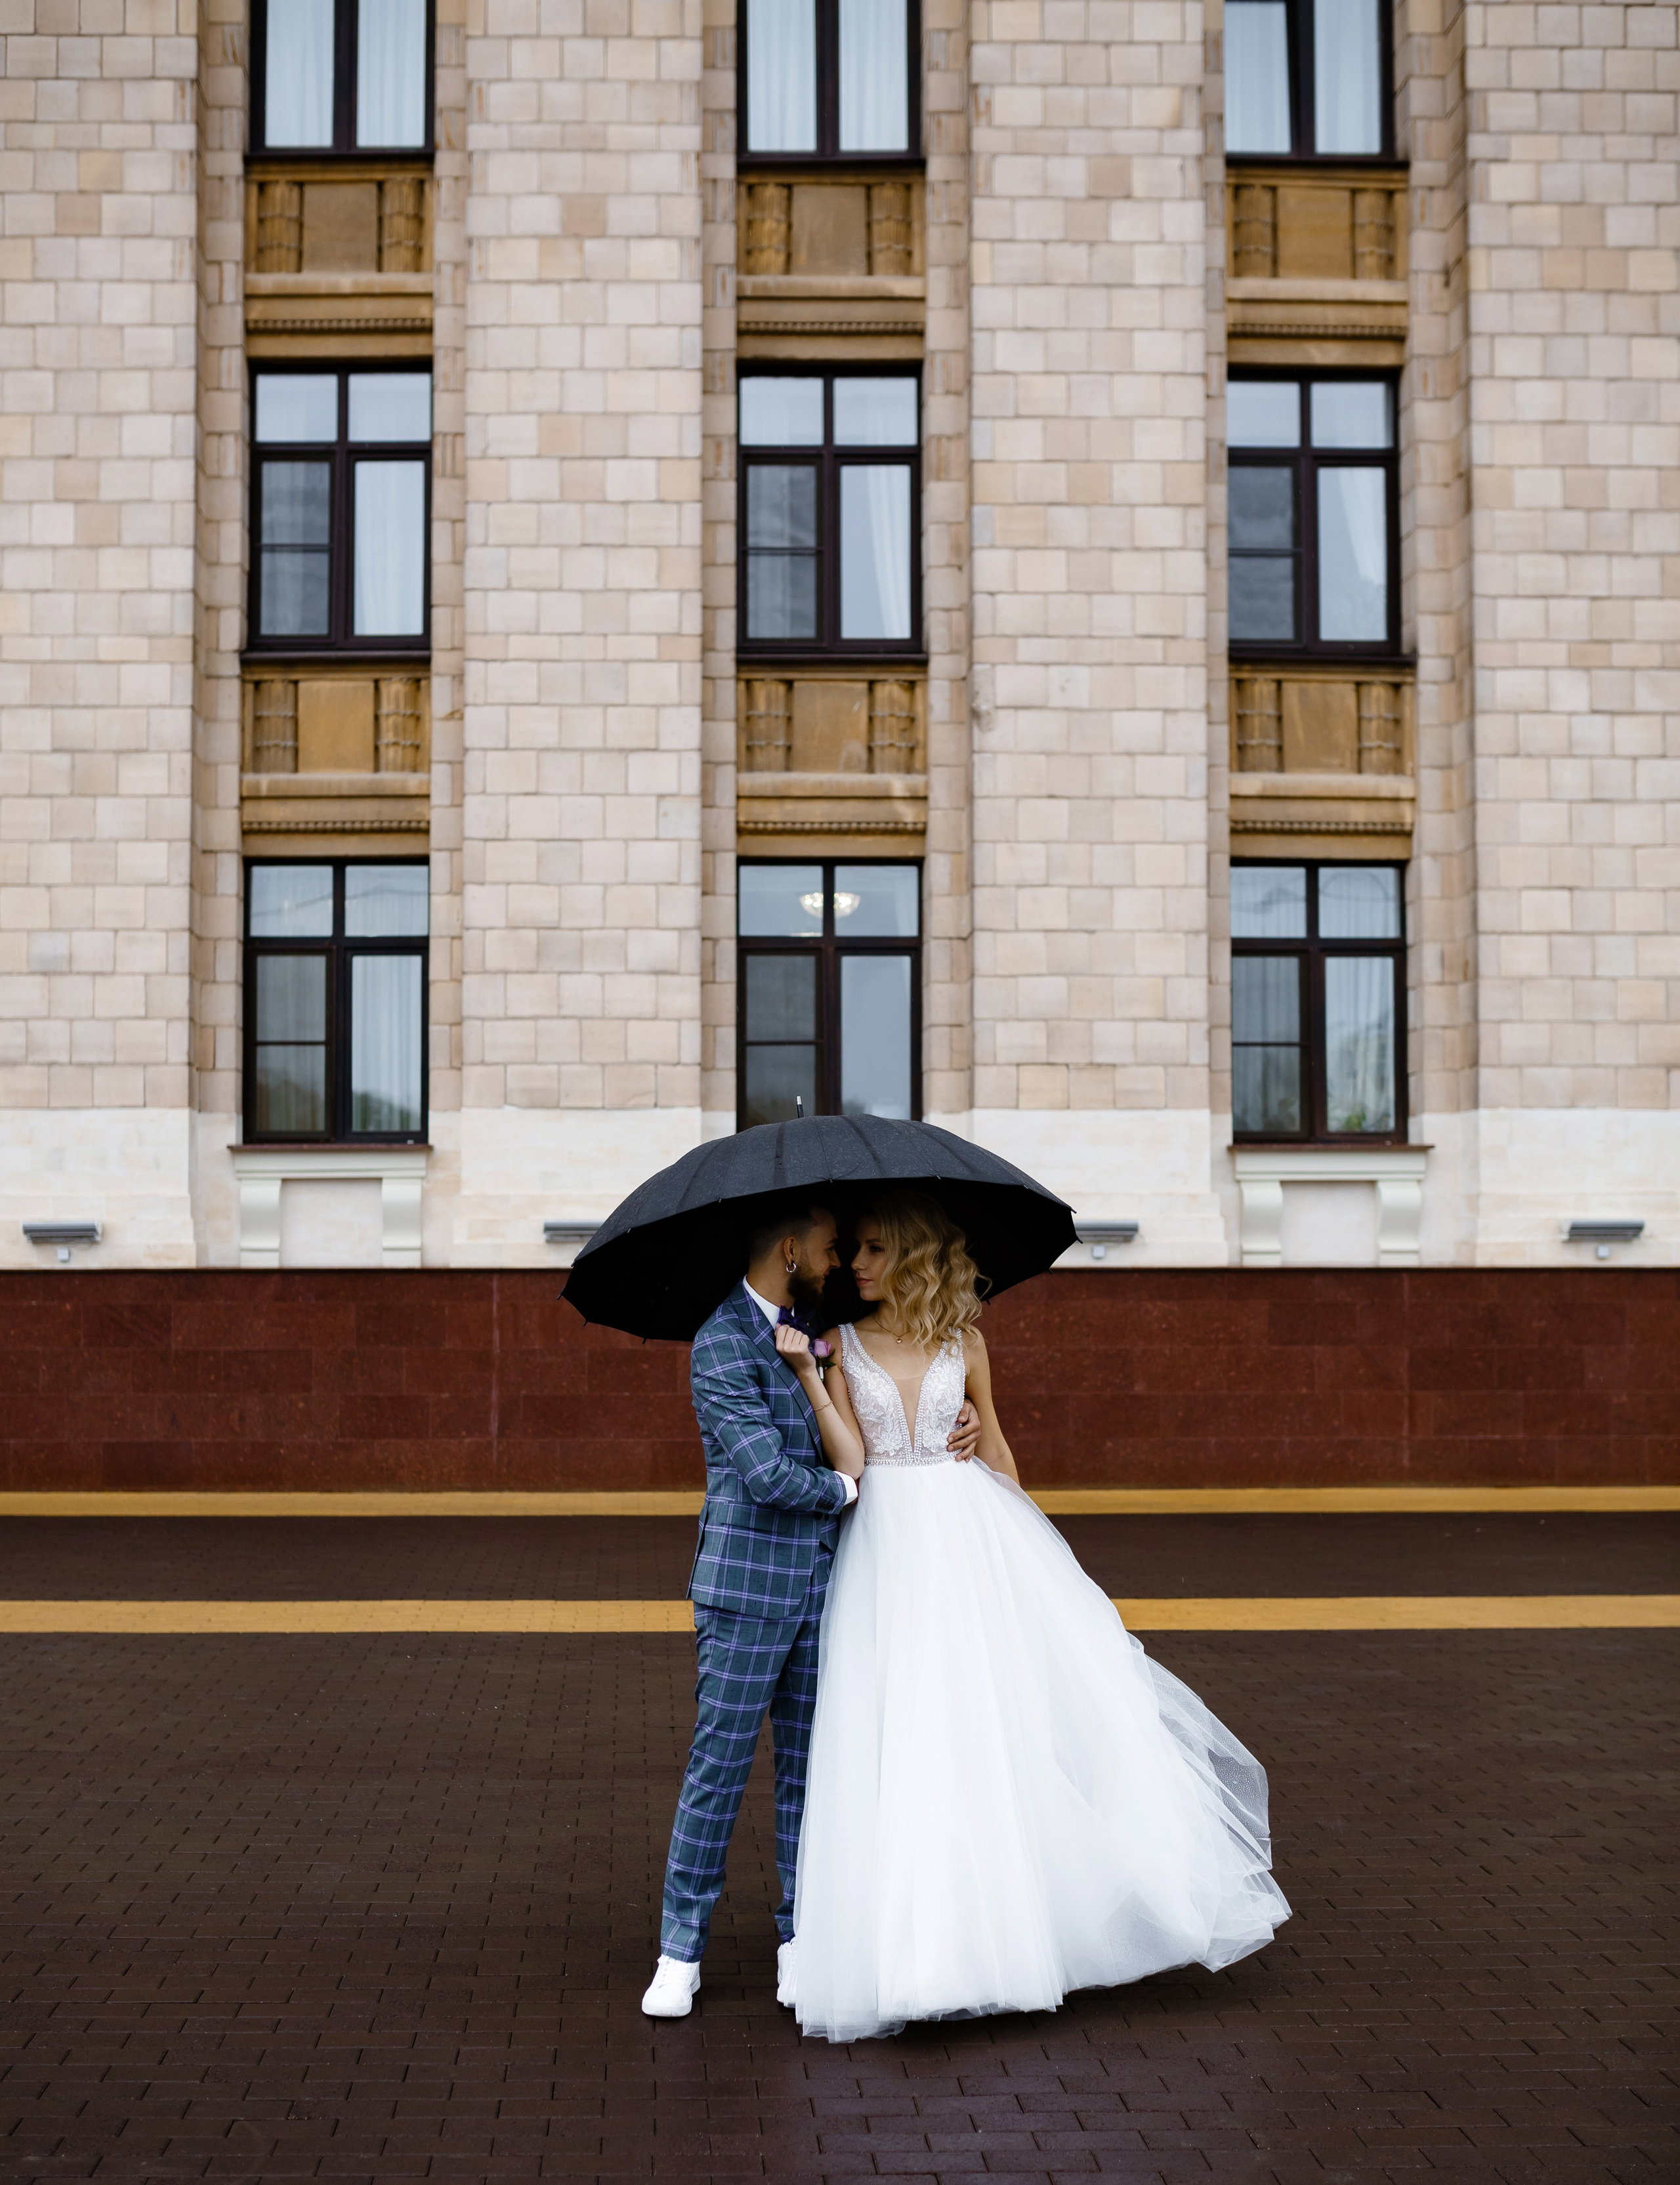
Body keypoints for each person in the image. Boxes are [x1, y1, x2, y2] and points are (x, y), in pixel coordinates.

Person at [774, 1190, 1292, 2041]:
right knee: (902, 1732)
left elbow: (1000, 1444)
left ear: (914, 1255)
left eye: (874, 1248)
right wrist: (811, 1377)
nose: (857, 1264)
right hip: (885, 1546)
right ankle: (913, 1947)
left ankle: (1005, 1931)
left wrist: (1032, 1549)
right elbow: (855, 1462)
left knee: (988, 1726)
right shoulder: (840, 1344)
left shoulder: (966, 1342)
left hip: (971, 1535)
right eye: (853, 1249)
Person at [641, 1194, 980, 2019]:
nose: (840, 1262)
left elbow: (880, 1404)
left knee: (809, 1776)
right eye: (831, 1248)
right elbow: (764, 1474)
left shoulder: (820, 1331)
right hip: (749, 1592)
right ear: (790, 1249)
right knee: (718, 1771)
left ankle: (800, 1941)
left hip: (829, 1589)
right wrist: (844, 1487)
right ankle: (678, 1952)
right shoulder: (720, 1342)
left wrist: (953, 1415)